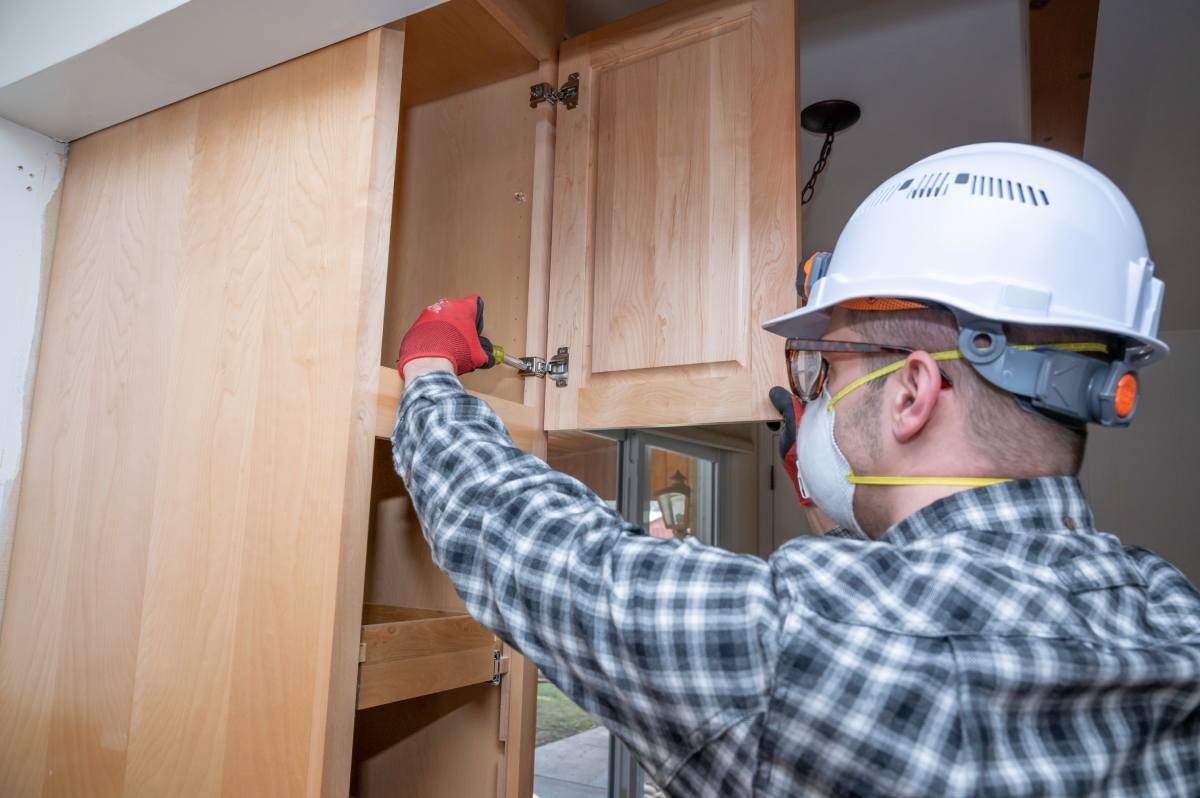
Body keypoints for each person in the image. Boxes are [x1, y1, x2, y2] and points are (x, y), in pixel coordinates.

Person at [392, 143, 1200, 796]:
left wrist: (429, 373)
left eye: (832, 374)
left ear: (913, 391)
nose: (819, 403)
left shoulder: (801, 641)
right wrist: (849, 505)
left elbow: (543, 552)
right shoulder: (1170, 609)